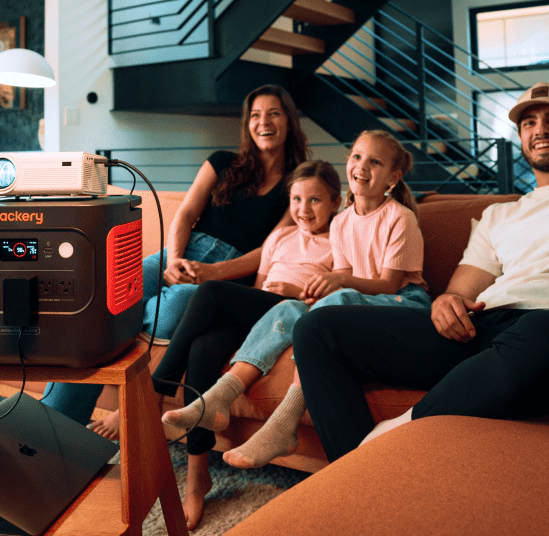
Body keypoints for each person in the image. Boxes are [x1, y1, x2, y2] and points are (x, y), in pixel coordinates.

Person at [292, 81, 549, 463]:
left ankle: (391, 439)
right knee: (317, 330)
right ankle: (356, 480)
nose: (540, 130)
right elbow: (460, 291)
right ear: (520, 137)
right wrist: (446, 303)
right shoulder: (499, 215)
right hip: (482, 329)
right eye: (529, 123)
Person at [40, 84, 308, 432]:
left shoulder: (298, 184)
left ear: (289, 120)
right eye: (255, 115)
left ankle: (118, 349)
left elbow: (271, 248)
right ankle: (55, 428)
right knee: (103, 301)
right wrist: (174, 260)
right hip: (179, 254)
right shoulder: (222, 162)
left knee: (165, 305)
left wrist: (211, 272)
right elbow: (184, 215)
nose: (263, 122)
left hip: (226, 276)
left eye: (274, 113)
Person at [219, 130, 429, 469]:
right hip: (357, 302)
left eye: (375, 162)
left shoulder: (400, 218)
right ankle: (222, 393)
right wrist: (324, 289)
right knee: (289, 307)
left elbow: (389, 285)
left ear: (393, 177)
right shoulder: (342, 222)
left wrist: (339, 281)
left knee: (341, 296)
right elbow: (344, 280)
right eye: (357, 157)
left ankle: (284, 421)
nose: (362, 166)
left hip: (406, 304)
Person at [150, 160, 341, 530]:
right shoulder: (279, 238)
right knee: (202, 349)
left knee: (209, 291)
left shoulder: (340, 242)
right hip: (260, 314)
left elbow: (338, 301)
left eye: (315, 200)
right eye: (298, 199)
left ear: (335, 202)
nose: (304, 209)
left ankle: (156, 387)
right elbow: (258, 289)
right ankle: (197, 474)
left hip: (294, 311)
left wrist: (297, 293)